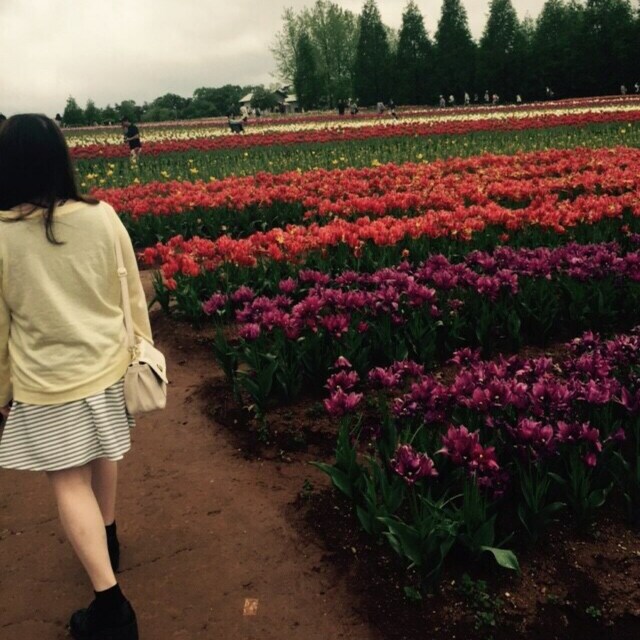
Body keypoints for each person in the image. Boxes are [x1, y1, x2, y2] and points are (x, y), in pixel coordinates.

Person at [0, 114, 151, 639]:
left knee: (68, 481)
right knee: (103, 452)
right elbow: (131, 290)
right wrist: (141, 347)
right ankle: (107, 538)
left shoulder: (1, 235)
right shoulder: (102, 216)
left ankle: (111, 609)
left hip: (48, 381)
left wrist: (2, 391)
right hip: (107, 366)